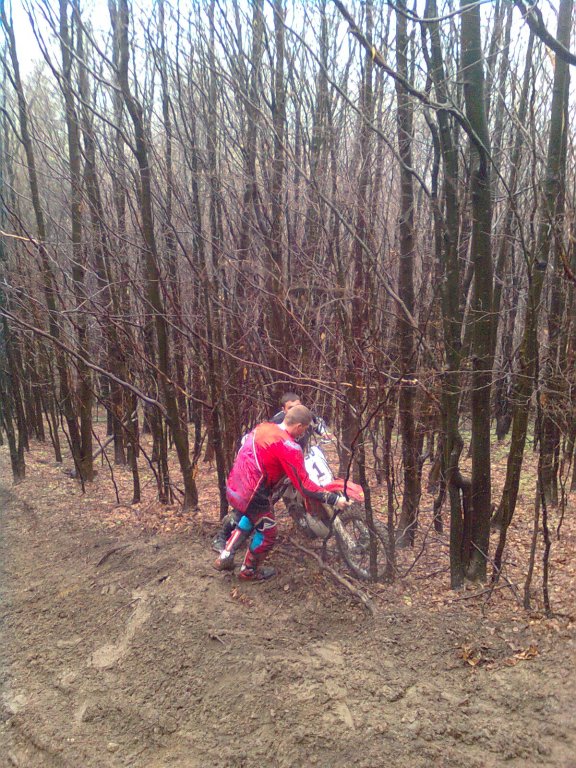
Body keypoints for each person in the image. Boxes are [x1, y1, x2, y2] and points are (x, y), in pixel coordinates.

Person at [213, 405, 350, 581]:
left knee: (250, 518)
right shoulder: (289, 446)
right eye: (305, 429)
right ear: (299, 426)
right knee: (268, 533)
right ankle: (248, 571)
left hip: (235, 485)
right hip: (254, 494)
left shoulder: (264, 427)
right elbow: (305, 486)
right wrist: (333, 499)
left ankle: (225, 556)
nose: (303, 434)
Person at [212, 392, 334, 552]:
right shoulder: (278, 422)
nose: (295, 410)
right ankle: (223, 537)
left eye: (298, 406)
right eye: (291, 407)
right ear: (284, 410)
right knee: (255, 507)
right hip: (273, 473)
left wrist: (326, 433)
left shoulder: (303, 415)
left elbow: (318, 423)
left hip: (295, 465)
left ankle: (306, 526)